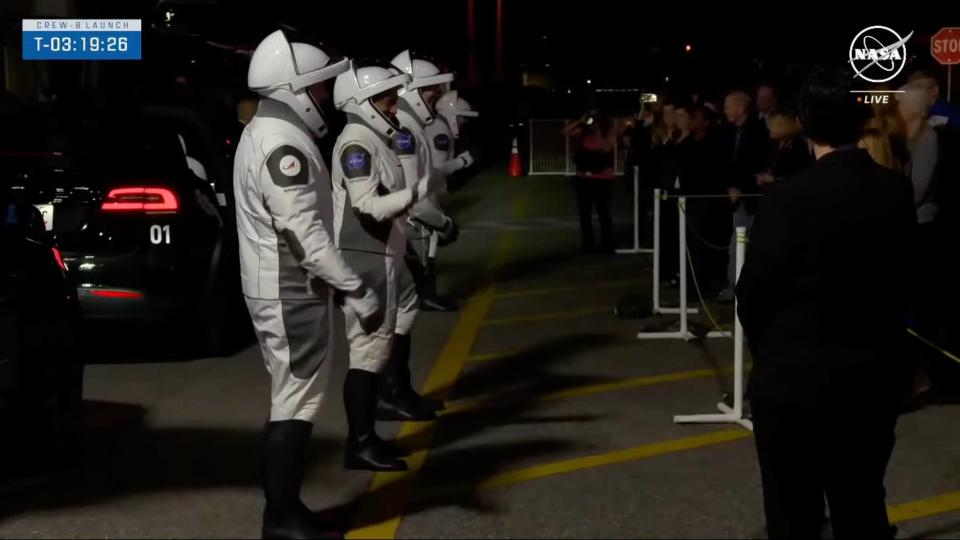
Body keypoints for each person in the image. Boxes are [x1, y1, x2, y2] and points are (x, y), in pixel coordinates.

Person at [736, 68, 915, 539]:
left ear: (803, 123)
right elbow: (903, 279)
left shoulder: (786, 199)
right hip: (871, 376)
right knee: (861, 502)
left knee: (793, 509)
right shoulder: (894, 190)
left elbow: (752, 293)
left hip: (794, 379)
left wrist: (770, 355)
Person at [234, 31, 379, 539]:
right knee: (295, 402)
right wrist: (358, 290)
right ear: (293, 88)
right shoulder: (282, 145)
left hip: (278, 285)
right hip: (290, 288)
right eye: (317, 88)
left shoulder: (265, 132)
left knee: (288, 398)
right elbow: (306, 235)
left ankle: (283, 509)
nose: (323, 98)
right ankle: (283, 515)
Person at [331, 61, 426, 473]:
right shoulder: (357, 144)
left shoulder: (370, 139)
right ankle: (361, 443)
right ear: (363, 103)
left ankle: (380, 415)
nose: (394, 105)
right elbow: (368, 205)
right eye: (387, 98)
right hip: (364, 255)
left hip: (380, 252)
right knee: (368, 353)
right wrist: (419, 193)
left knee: (396, 323)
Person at [391, 51, 467, 314]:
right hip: (411, 218)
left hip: (411, 215)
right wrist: (442, 222)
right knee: (420, 256)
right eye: (428, 89)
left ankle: (425, 296)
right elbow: (414, 192)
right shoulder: (406, 129)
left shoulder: (410, 125)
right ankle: (423, 297)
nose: (435, 93)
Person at [718, 90, 770, 301]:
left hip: (753, 198)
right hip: (736, 198)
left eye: (729, 106)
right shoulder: (728, 132)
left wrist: (740, 186)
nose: (725, 110)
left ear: (740, 108)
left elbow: (754, 163)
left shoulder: (757, 131)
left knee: (745, 244)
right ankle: (736, 285)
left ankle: (741, 287)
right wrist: (730, 186)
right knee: (736, 244)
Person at [563, 108, 618, 253]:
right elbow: (565, 132)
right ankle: (588, 244)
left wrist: (598, 130)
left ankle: (607, 244)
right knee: (584, 214)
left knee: (603, 213)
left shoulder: (609, 130)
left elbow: (606, 148)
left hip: (603, 178)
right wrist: (581, 122)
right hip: (583, 178)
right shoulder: (583, 132)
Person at [755, 109, 812, 188]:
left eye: (772, 125)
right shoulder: (773, 144)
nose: (769, 128)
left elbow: (798, 175)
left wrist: (774, 180)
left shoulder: (798, 146)